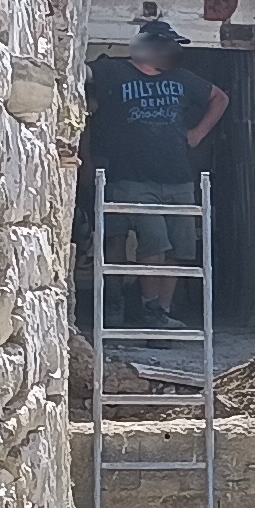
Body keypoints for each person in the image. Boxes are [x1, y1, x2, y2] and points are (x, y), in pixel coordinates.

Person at [83, 20, 227, 327]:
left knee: (179, 246)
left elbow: (219, 98)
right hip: (133, 178)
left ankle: (162, 311)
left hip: (178, 178)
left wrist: (198, 133)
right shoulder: (115, 73)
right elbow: (77, 73)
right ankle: (148, 308)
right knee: (154, 241)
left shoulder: (183, 79)